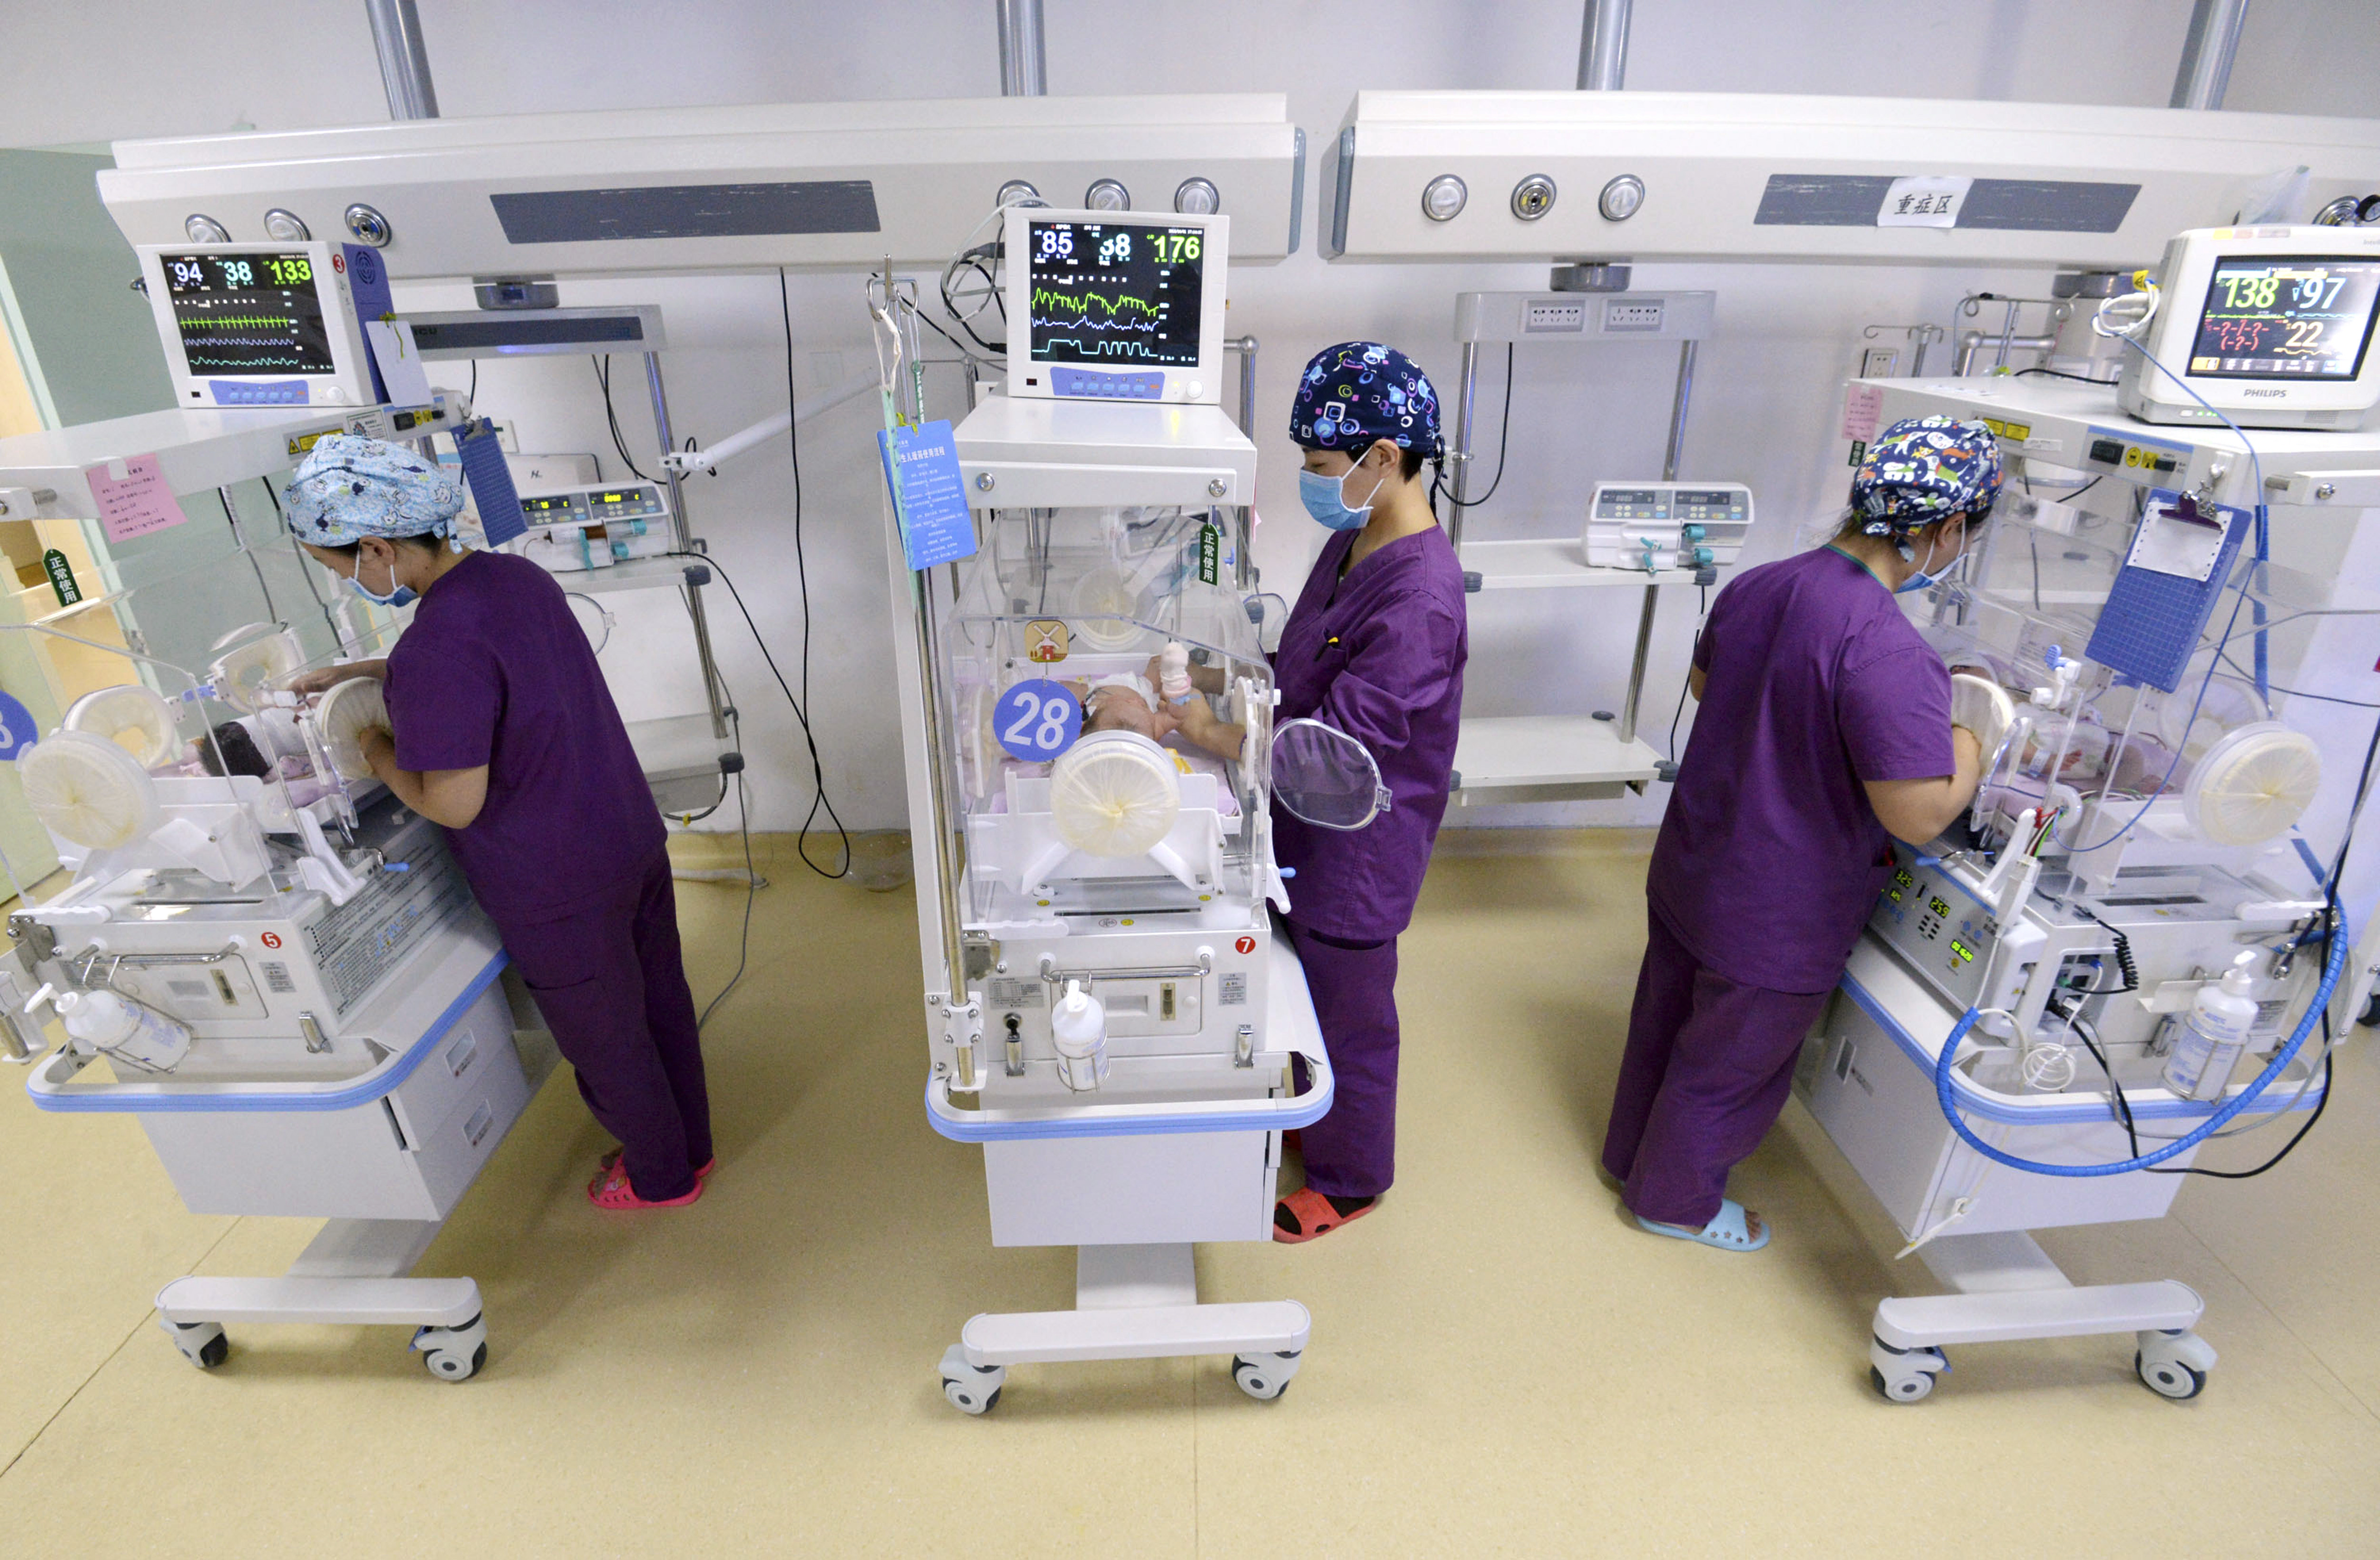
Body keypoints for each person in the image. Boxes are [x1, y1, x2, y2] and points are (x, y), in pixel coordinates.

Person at [1600, 416, 2001, 1251]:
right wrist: (1972, 739)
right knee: (1730, 1060)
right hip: (1775, 905)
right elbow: (1918, 813)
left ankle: (1630, 1156)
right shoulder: (1889, 650)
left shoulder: (1761, 585)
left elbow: (1707, 685)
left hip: (1696, 861)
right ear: (1950, 527)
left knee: (1665, 1020)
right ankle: (1673, 1200)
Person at [283, 435, 714, 1211]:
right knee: (660, 1004)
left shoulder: (436, 643)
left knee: (607, 1039)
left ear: (377, 547)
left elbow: (454, 802)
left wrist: (374, 748)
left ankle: (660, 1178)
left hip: (557, 883)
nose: (348, 582)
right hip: (626, 835)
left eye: (340, 567)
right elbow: (497, 668)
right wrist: (372, 670)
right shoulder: (514, 578)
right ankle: (693, 1148)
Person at [1165, 341, 1468, 1243]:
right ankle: (1311, 1104)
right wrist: (1217, 675)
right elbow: (1303, 667)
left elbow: (1332, 757)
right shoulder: (1354, 538)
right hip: (1301, 827)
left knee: (1351, 1011)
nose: (1312, 478)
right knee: (1303, 986)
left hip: (1357, 848)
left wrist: (1202, 729)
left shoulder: (1421, 602)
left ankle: (1350, 1178)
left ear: (1385, 456)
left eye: (1321, 463)